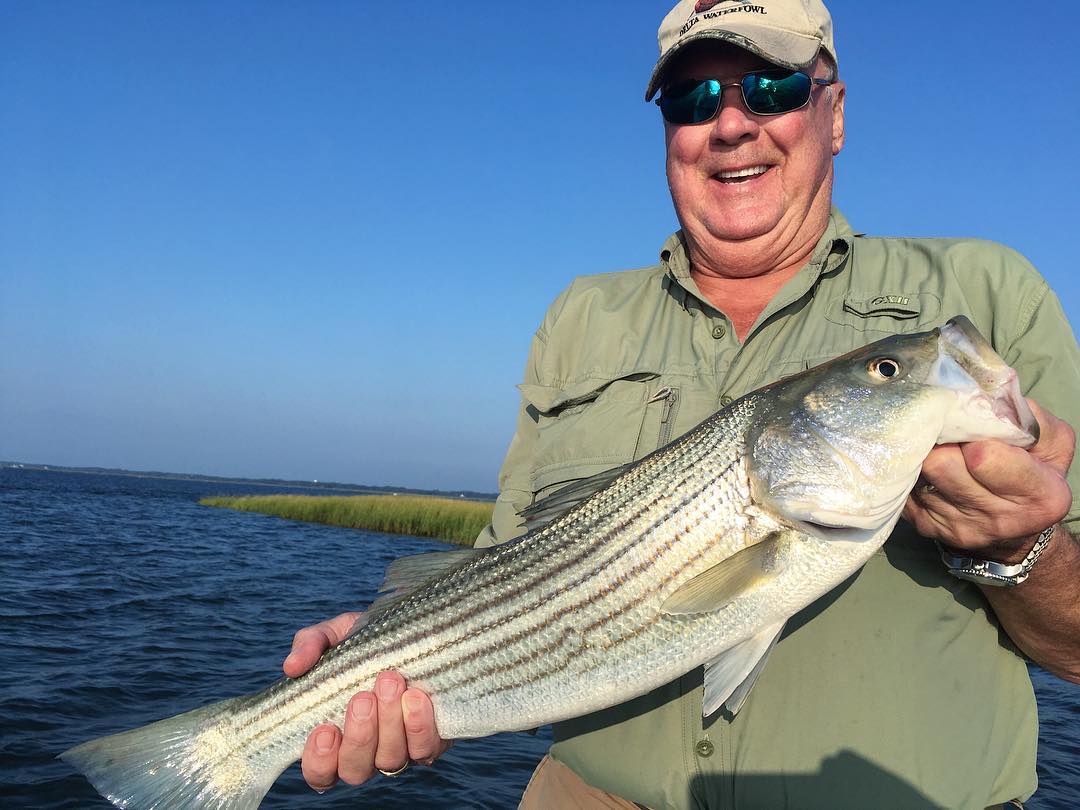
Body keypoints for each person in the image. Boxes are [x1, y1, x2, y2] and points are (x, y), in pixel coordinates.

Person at [284, 1, 1080, 807]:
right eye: (692, 101)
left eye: (771, 87)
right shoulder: (578, 319)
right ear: (670, 134)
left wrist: (1020, 553)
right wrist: (392, 655)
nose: (730, 125)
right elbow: (508, 567)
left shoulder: (987, 291)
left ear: (834, 113)